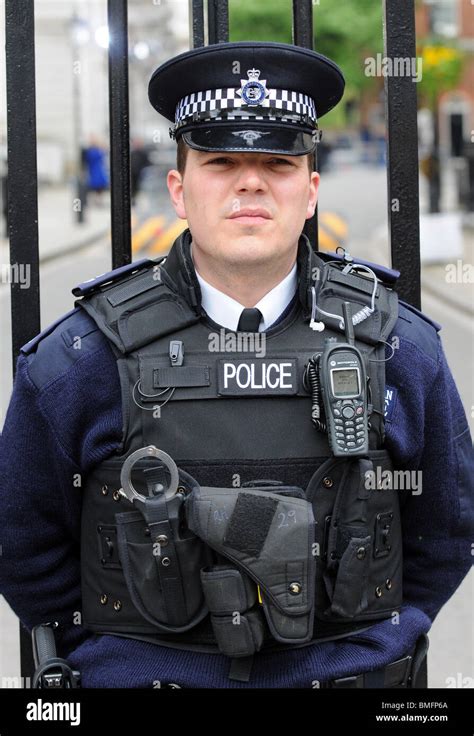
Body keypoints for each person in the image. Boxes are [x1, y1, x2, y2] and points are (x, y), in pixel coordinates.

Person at [0, 41, 472, 690]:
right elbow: (25, 547)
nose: (250, 181)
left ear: (310, 192)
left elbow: (445, 533)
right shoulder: (79, 362)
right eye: (221, 160)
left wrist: (374, 644)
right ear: (178, 188)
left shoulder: (401, 351)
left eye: (277, 162)